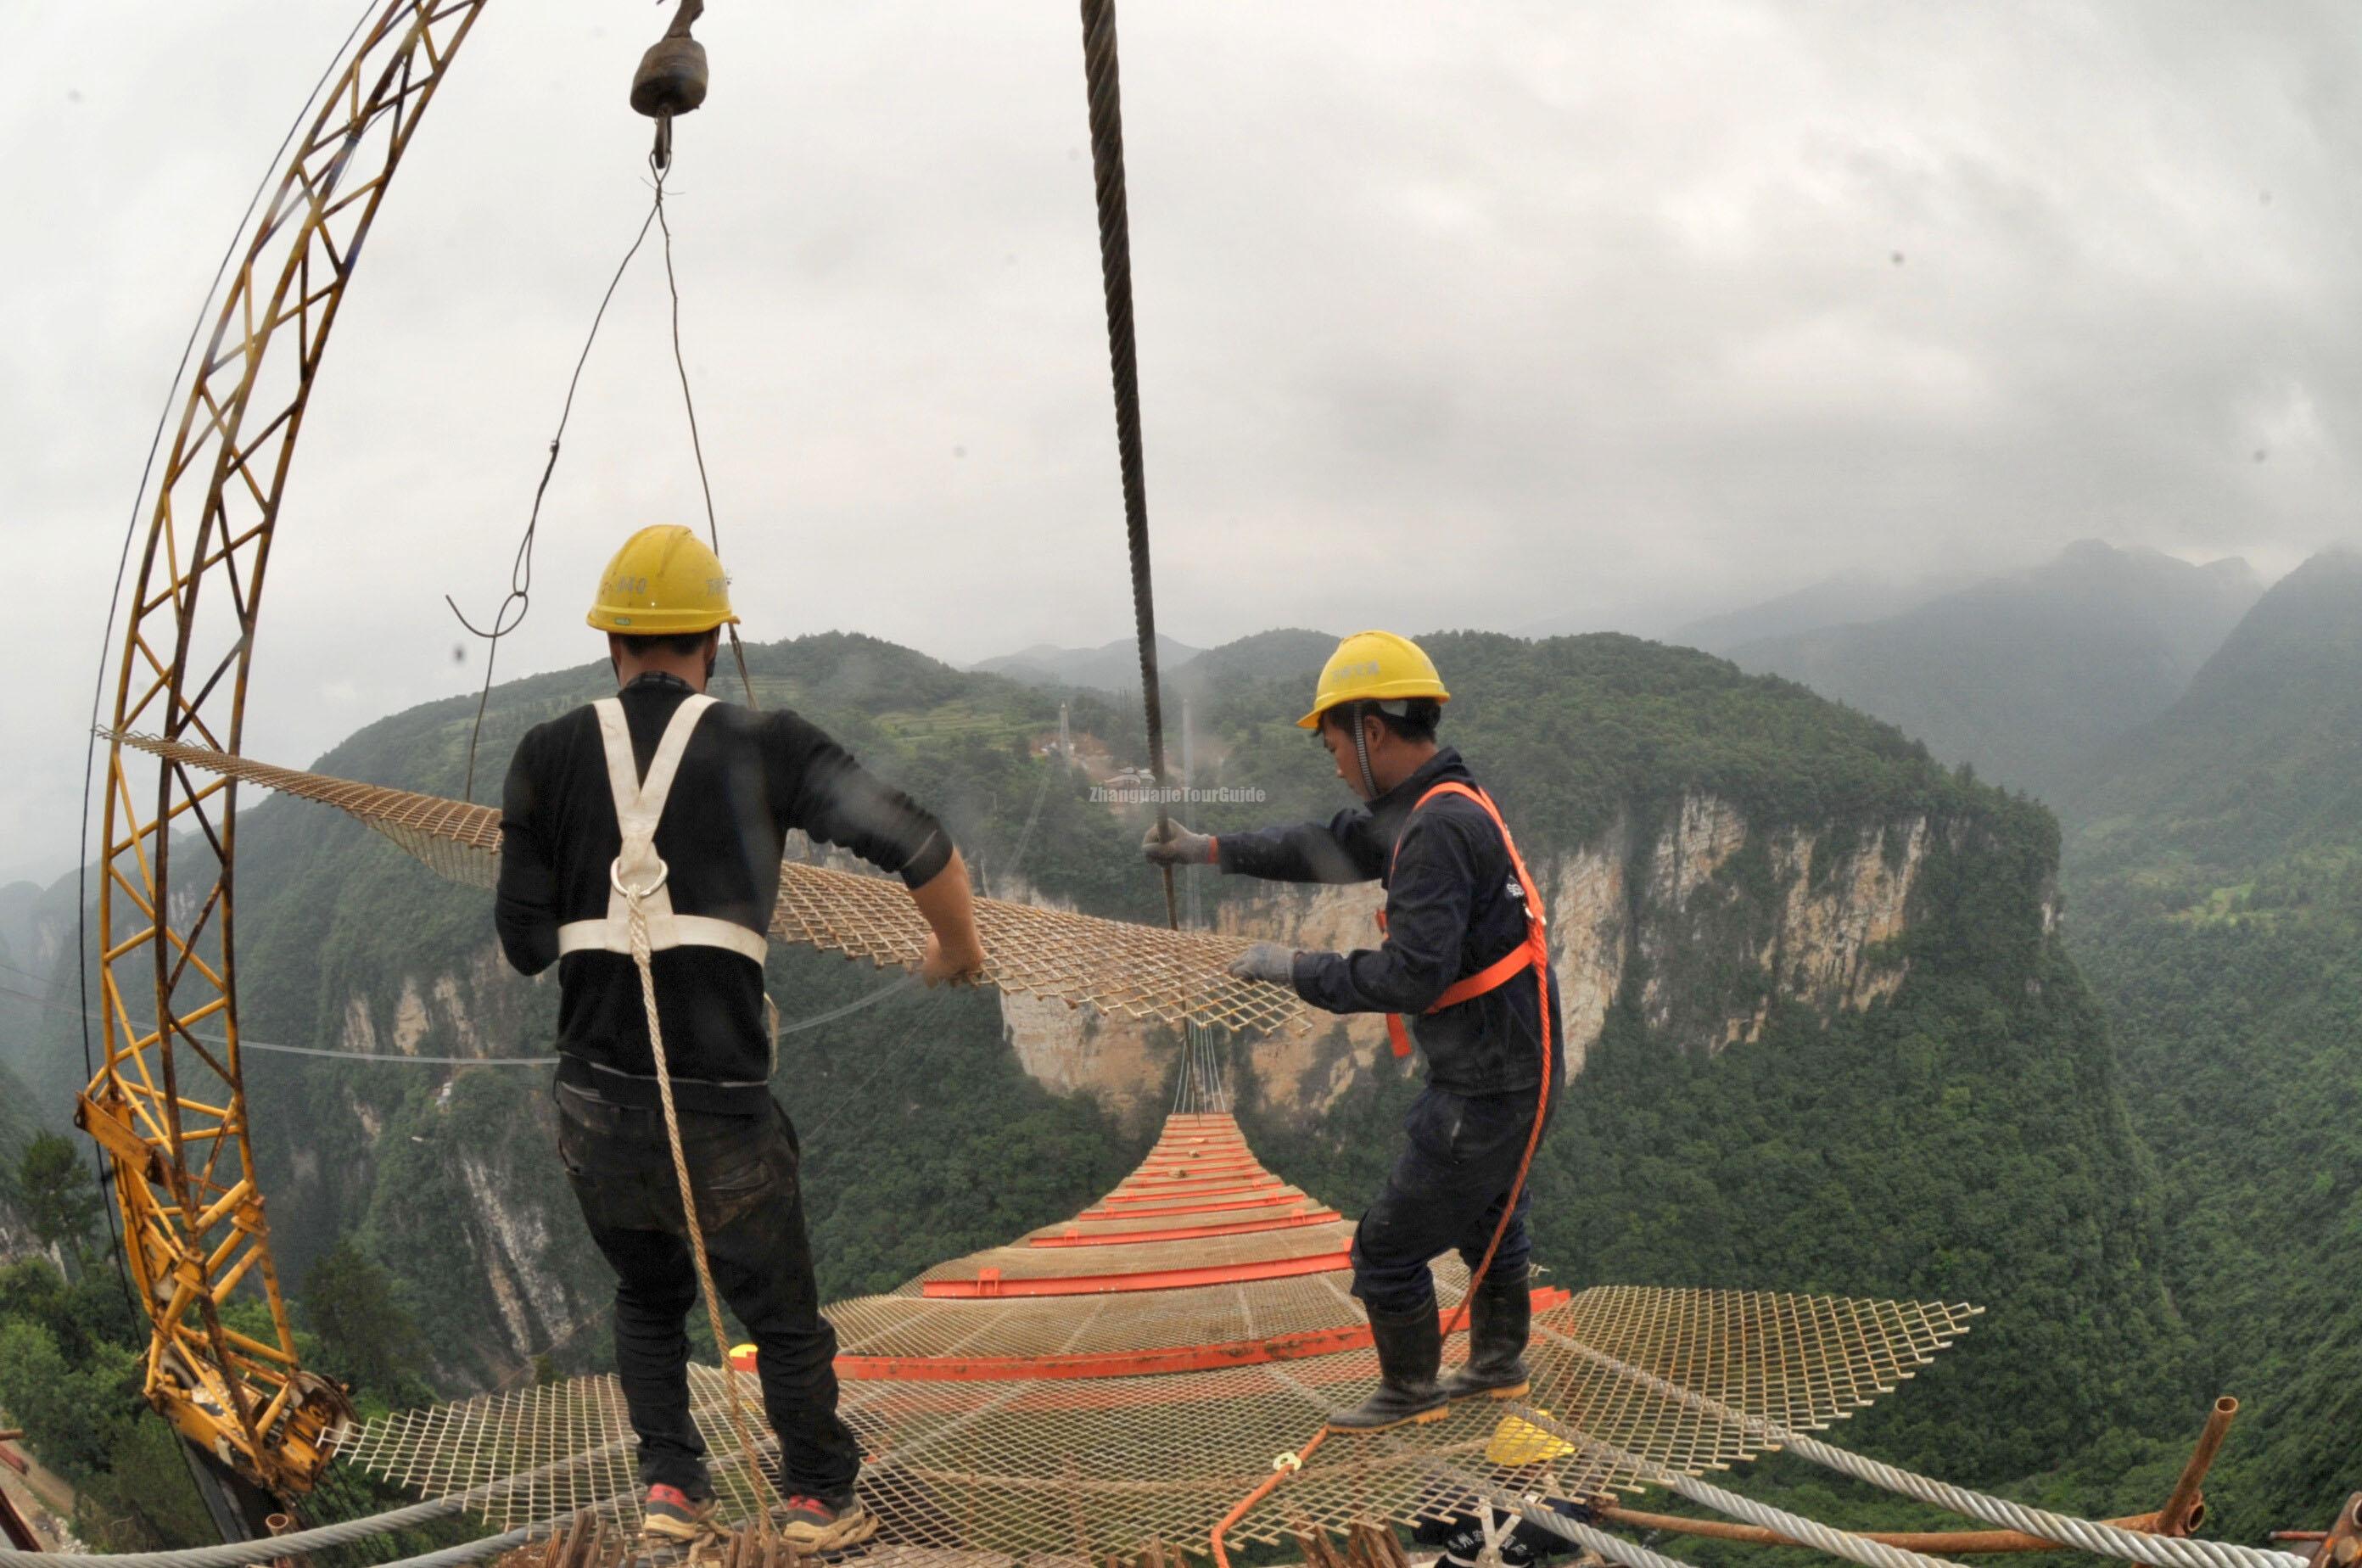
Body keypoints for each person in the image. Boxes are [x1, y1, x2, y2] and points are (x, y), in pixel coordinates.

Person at [496, 525, 986, 1547]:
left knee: (648, 1295)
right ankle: (818, 1496)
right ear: (713, 644)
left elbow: (525, 946)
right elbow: (922, 843)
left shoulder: (544, 755)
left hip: (595, 1106)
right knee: (783, 1319)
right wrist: (955, 947)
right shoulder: (773, 745)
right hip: (719, 1112)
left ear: (612, 646)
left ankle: (673, 1489)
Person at [1142, 630, 1559, 1434]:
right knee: (1490, 1218)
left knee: (1387, 1249)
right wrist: (1210, 849)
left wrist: (1295, 968)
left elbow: (1412, 976)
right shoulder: (1439, 805)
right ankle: (1499, 1369)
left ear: (1371, 731)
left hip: (1486, 1085)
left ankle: (1409, 1397)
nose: (1332, 760)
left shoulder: (1434, 832)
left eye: (1334, 742)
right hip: (1519, 1069)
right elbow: (1325, 847)